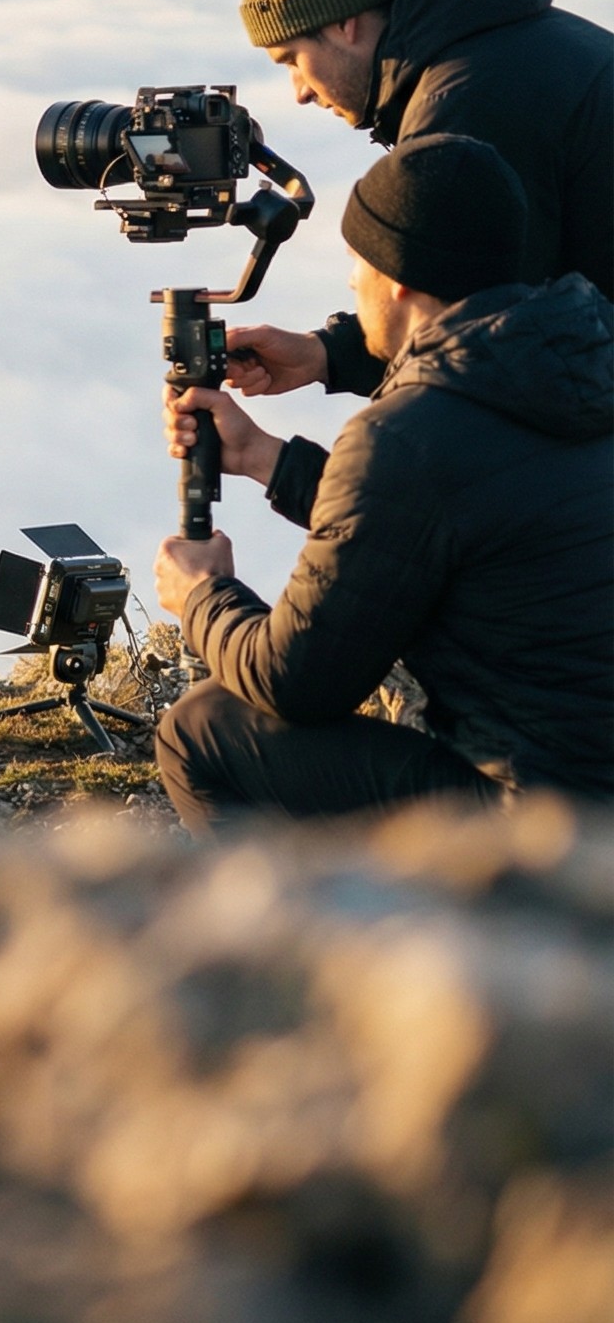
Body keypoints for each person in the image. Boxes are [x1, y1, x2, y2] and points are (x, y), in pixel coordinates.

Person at [151, 134, 614, 834]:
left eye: (355, 262)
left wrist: (202, 598)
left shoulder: (411, 432)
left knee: (200, 730)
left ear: (397, 279)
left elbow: (296, 682)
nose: (349, 285)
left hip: (547, 825)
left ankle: (297, 936)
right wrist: (266, 459)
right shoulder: (572, 367)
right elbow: (448, 516)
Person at [228, 0, 613, 400]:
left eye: (293, 59)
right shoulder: (512, 44)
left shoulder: (465, 110)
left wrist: (282, 466)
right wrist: (327, 355)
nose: (299, 91)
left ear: (344, 24)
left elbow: (475, 358)